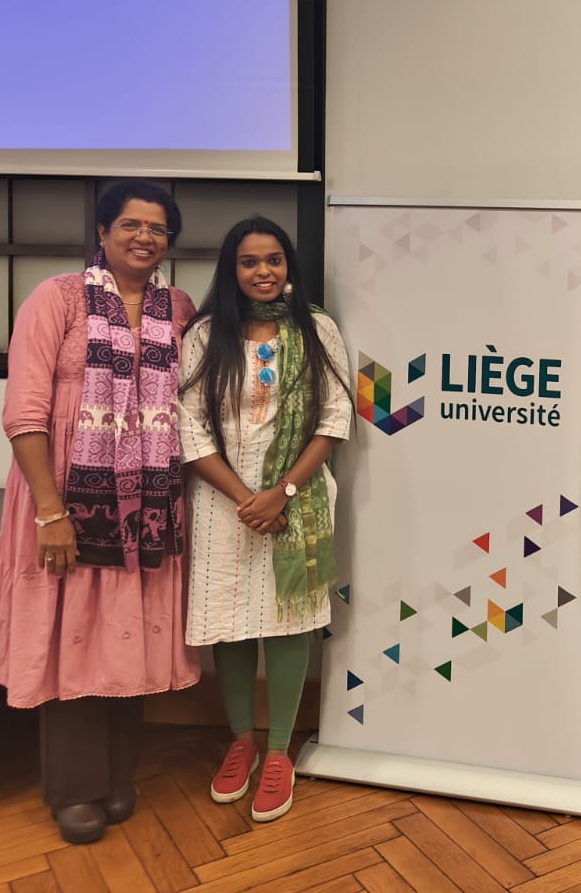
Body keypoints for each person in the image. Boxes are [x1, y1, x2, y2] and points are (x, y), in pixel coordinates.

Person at [0, 181, 201, 845]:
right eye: (131, 224)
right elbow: (25, 412)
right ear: (103, 232)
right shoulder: (55, 299)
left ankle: (117, 773)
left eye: (158, 228)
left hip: (147, 504)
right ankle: (74, 786)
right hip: (66, 497)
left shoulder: (179, 308)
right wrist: (50, 513)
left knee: (125, 631)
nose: (145, 237)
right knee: (72, 633)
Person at [177, 216, 351, 824]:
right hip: (221, 500)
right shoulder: (206, 334)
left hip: (295, 498)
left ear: (289, 266)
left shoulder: (317, 328)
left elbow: (335, 417)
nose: (263, 272)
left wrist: (282, 491)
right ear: (232, 270)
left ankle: (279, 752)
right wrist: (244, 497)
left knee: (287, 619)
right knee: (229, 623)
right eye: (249, 262)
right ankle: (241, 742)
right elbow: (189, 424)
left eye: (274, 260)